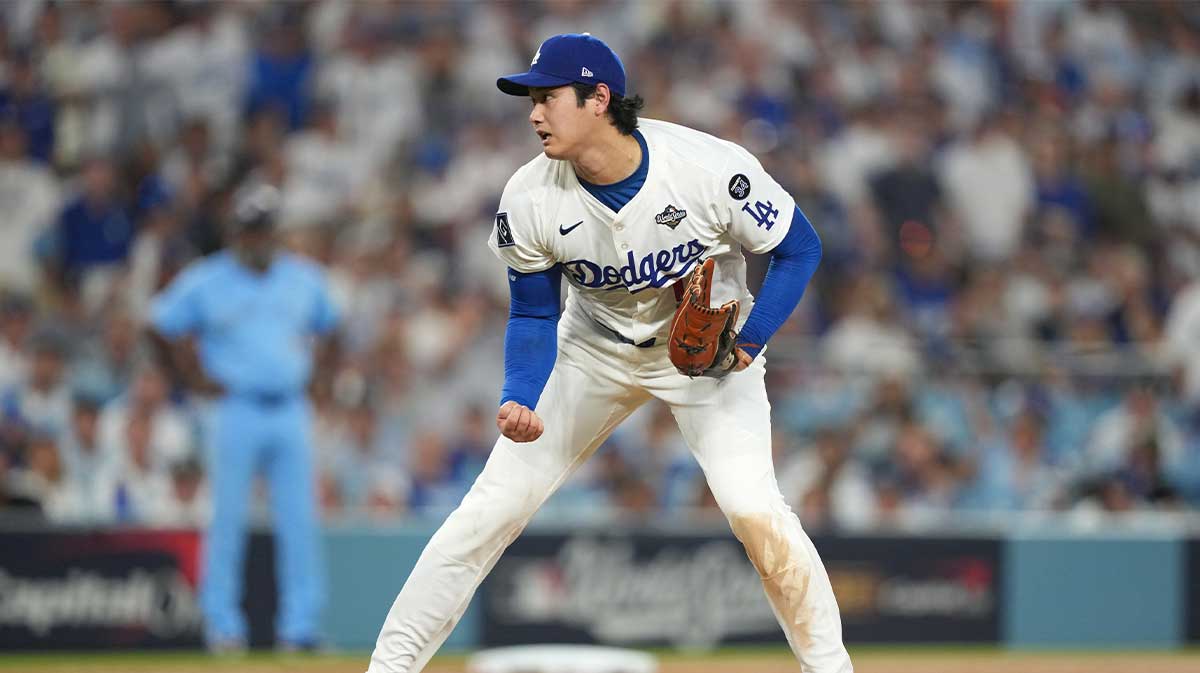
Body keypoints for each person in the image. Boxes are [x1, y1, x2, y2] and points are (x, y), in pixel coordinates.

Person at [368, 34, 851, 673]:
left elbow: (799, 248)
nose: (534, 113)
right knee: (488, 511)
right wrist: (519, 393)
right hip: (592, 351)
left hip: (706, 361)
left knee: (755, 511)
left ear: (599, 99)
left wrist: (751, 341)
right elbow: (536, 311)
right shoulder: (530, 195)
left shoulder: (706, 169)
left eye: (548, 97)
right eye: (531, 99)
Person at [148, 184, 339, 652]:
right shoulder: (208, 278)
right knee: (226, 520)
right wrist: (189, 378)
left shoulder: (302, 278)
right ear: (236, 232)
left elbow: (333, 327)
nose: (257, 239)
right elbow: (157, 325)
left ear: (276, 232)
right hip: (235, 408)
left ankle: (300, 628)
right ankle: (223, 627)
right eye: (250, 230)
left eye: (265, 229)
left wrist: (322, 380)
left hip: (290, 406)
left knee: (299, 520)